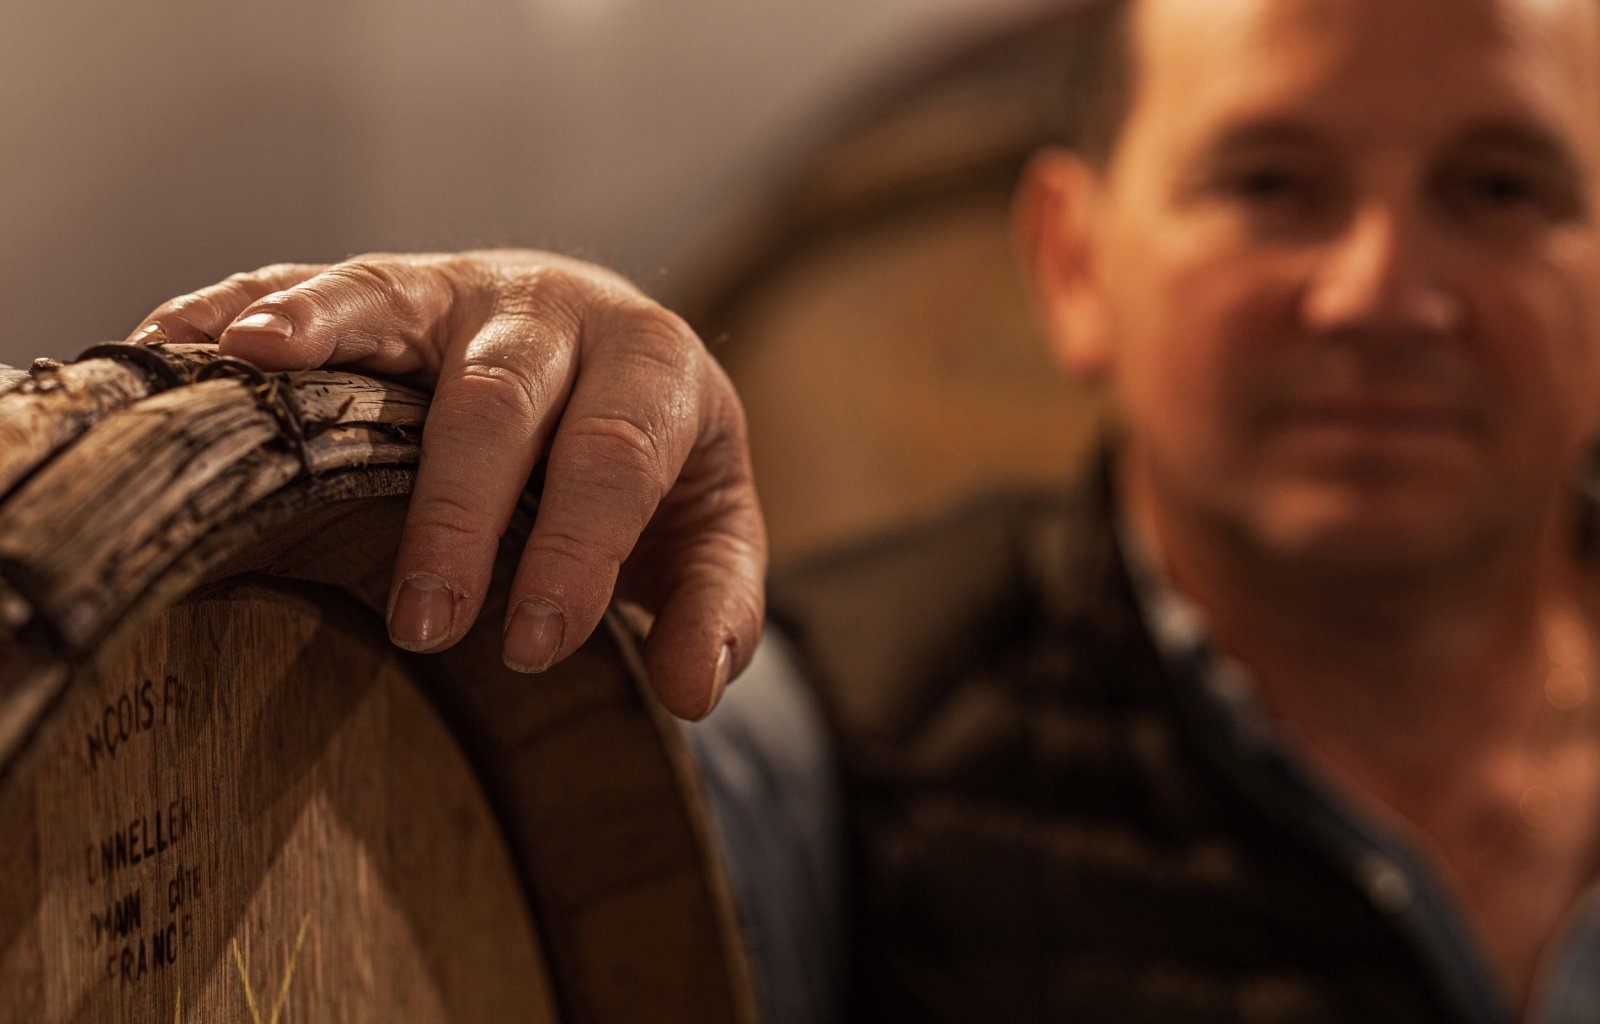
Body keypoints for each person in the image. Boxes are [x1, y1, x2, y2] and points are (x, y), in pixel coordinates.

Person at [122, 0, 1600, 1020]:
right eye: (1272, 182)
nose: (1382, 295)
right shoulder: (838, 734)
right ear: (1075, 267)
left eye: (1500, 186)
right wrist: (481, 414)